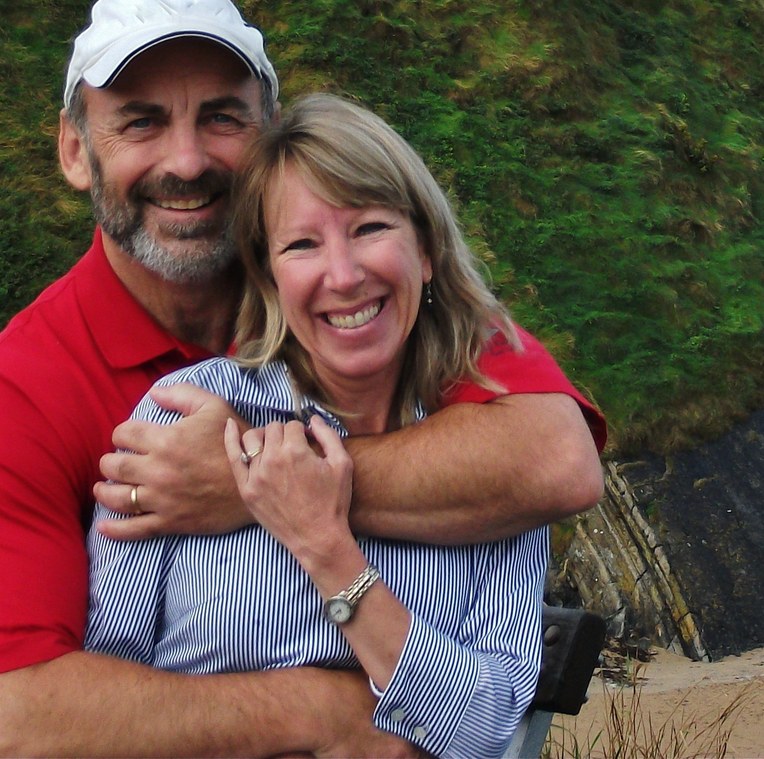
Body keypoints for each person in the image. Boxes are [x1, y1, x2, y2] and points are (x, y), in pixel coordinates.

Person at [0, 0, 606, 758]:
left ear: (269, 132)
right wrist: (328, 713)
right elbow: (16, 727)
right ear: (76, 151)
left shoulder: (398, 317)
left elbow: (555, 462)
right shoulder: (18, 395)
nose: (186, 160)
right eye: (140, 123)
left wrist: (257, 483)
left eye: (221, 117)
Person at [87, 95, 547, 759]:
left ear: (425, 250)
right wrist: (311, 714)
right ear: (269, 277)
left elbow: (489, 730)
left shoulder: (491, 450)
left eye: (369, 229)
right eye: (302, 244)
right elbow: (107, 685)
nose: (343, 274)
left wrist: (328, 552)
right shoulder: (182, 414)